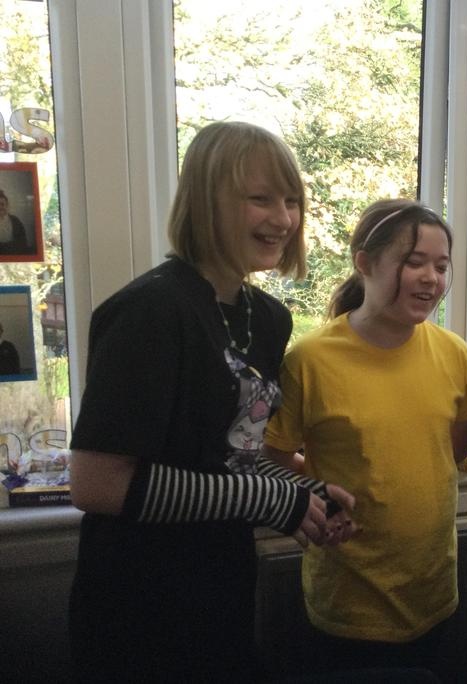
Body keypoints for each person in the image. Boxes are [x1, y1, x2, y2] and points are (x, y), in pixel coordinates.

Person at [67, 121, 356, 684]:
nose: (283, 219)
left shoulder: (267, 318)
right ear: (205, 200)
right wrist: (268, 496)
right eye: (260, 199)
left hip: (222, 586)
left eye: (292, 200)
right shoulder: (150, 311)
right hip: (136, 606)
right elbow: (96, 483)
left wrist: (306, 495)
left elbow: (230, 458)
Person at [263, 199, 467, 678]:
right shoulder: (310, 360)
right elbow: (274, 453)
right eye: (415, 262)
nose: (431, 278)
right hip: (347, 604)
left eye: (441, 266)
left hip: (434, 593)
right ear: (364, 263)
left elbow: (457, 449)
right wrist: (317, 495)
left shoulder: (454, 354)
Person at [0, 188, 28, 255]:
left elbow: (23, 242)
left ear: (7, 205)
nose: (0, 207)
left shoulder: (15, 221)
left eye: (2, 204)